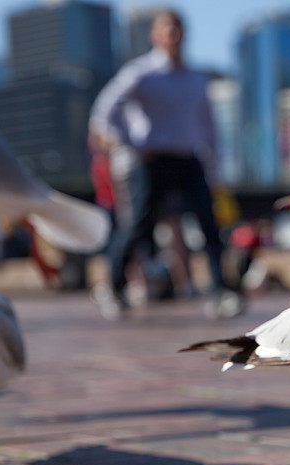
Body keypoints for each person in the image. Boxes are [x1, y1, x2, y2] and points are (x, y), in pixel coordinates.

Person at [89, 9, 241, 319]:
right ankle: (114, 288)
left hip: (189, 160)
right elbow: (104, 114)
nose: (173, 34)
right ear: (155, 35)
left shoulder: (197, 80)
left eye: (178, 28)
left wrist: (215, 171)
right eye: (167, 29)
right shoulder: (140, 73)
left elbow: (209, 128)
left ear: (185, 34)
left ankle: (220, 292)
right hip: (152, 161)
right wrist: (126, 146)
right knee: (137, 226)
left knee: (209, 225)